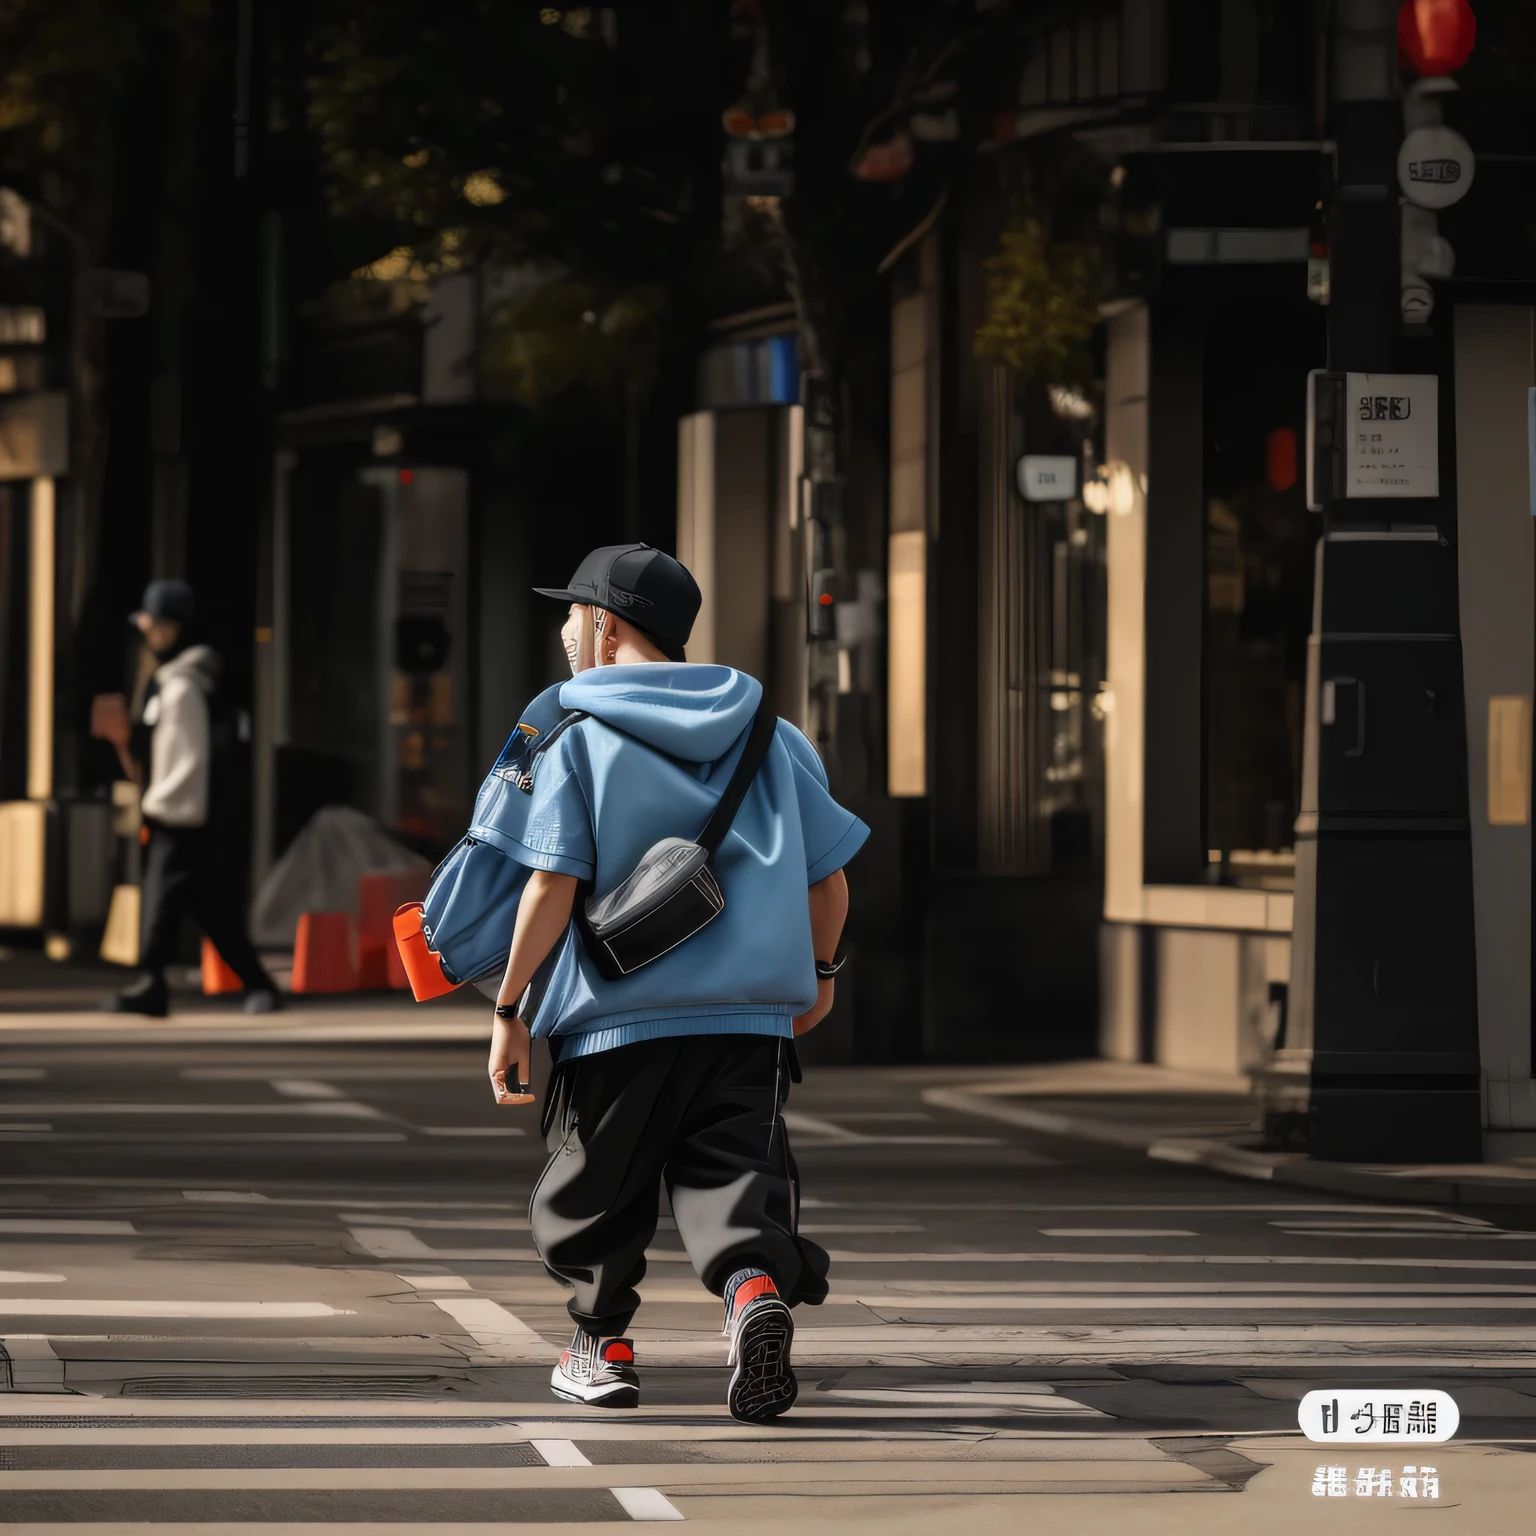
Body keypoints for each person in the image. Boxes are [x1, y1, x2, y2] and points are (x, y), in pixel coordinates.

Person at [487, 542, 866, 1423]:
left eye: (571, 612)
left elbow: (551, 885)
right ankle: (749, 1297)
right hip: (751, 1021)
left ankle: (602, 1347)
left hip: (618, 1021)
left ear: (606, 624)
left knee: (599, 1188)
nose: (564, 630)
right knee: (736, 1176)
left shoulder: (578, 738)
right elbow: (831, 879)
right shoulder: (773, 733)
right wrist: (821, 976)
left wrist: (510, 1009)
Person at [92, 579, 280, 1017]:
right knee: (211, 908)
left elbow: (182, 764)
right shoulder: (185, 680)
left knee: (165, 902)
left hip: (179, 817)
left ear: (170, 628)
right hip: (187, 816)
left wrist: (161, 811)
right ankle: (256, 984)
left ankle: (155, 983)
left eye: (151, 623)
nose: (144, 632)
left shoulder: (182, 686)